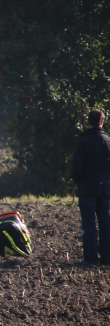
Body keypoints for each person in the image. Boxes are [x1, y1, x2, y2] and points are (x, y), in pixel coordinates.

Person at [70, 109, 110, 267]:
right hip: (105, 188)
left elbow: (76, 168)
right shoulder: (108, 141)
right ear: (102, 122)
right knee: (105, 222)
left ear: (88, 122)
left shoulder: (83, 141)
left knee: (89, 224)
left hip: (87, 188)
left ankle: (91, 258)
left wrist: (78, 181)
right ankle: (107, 257)